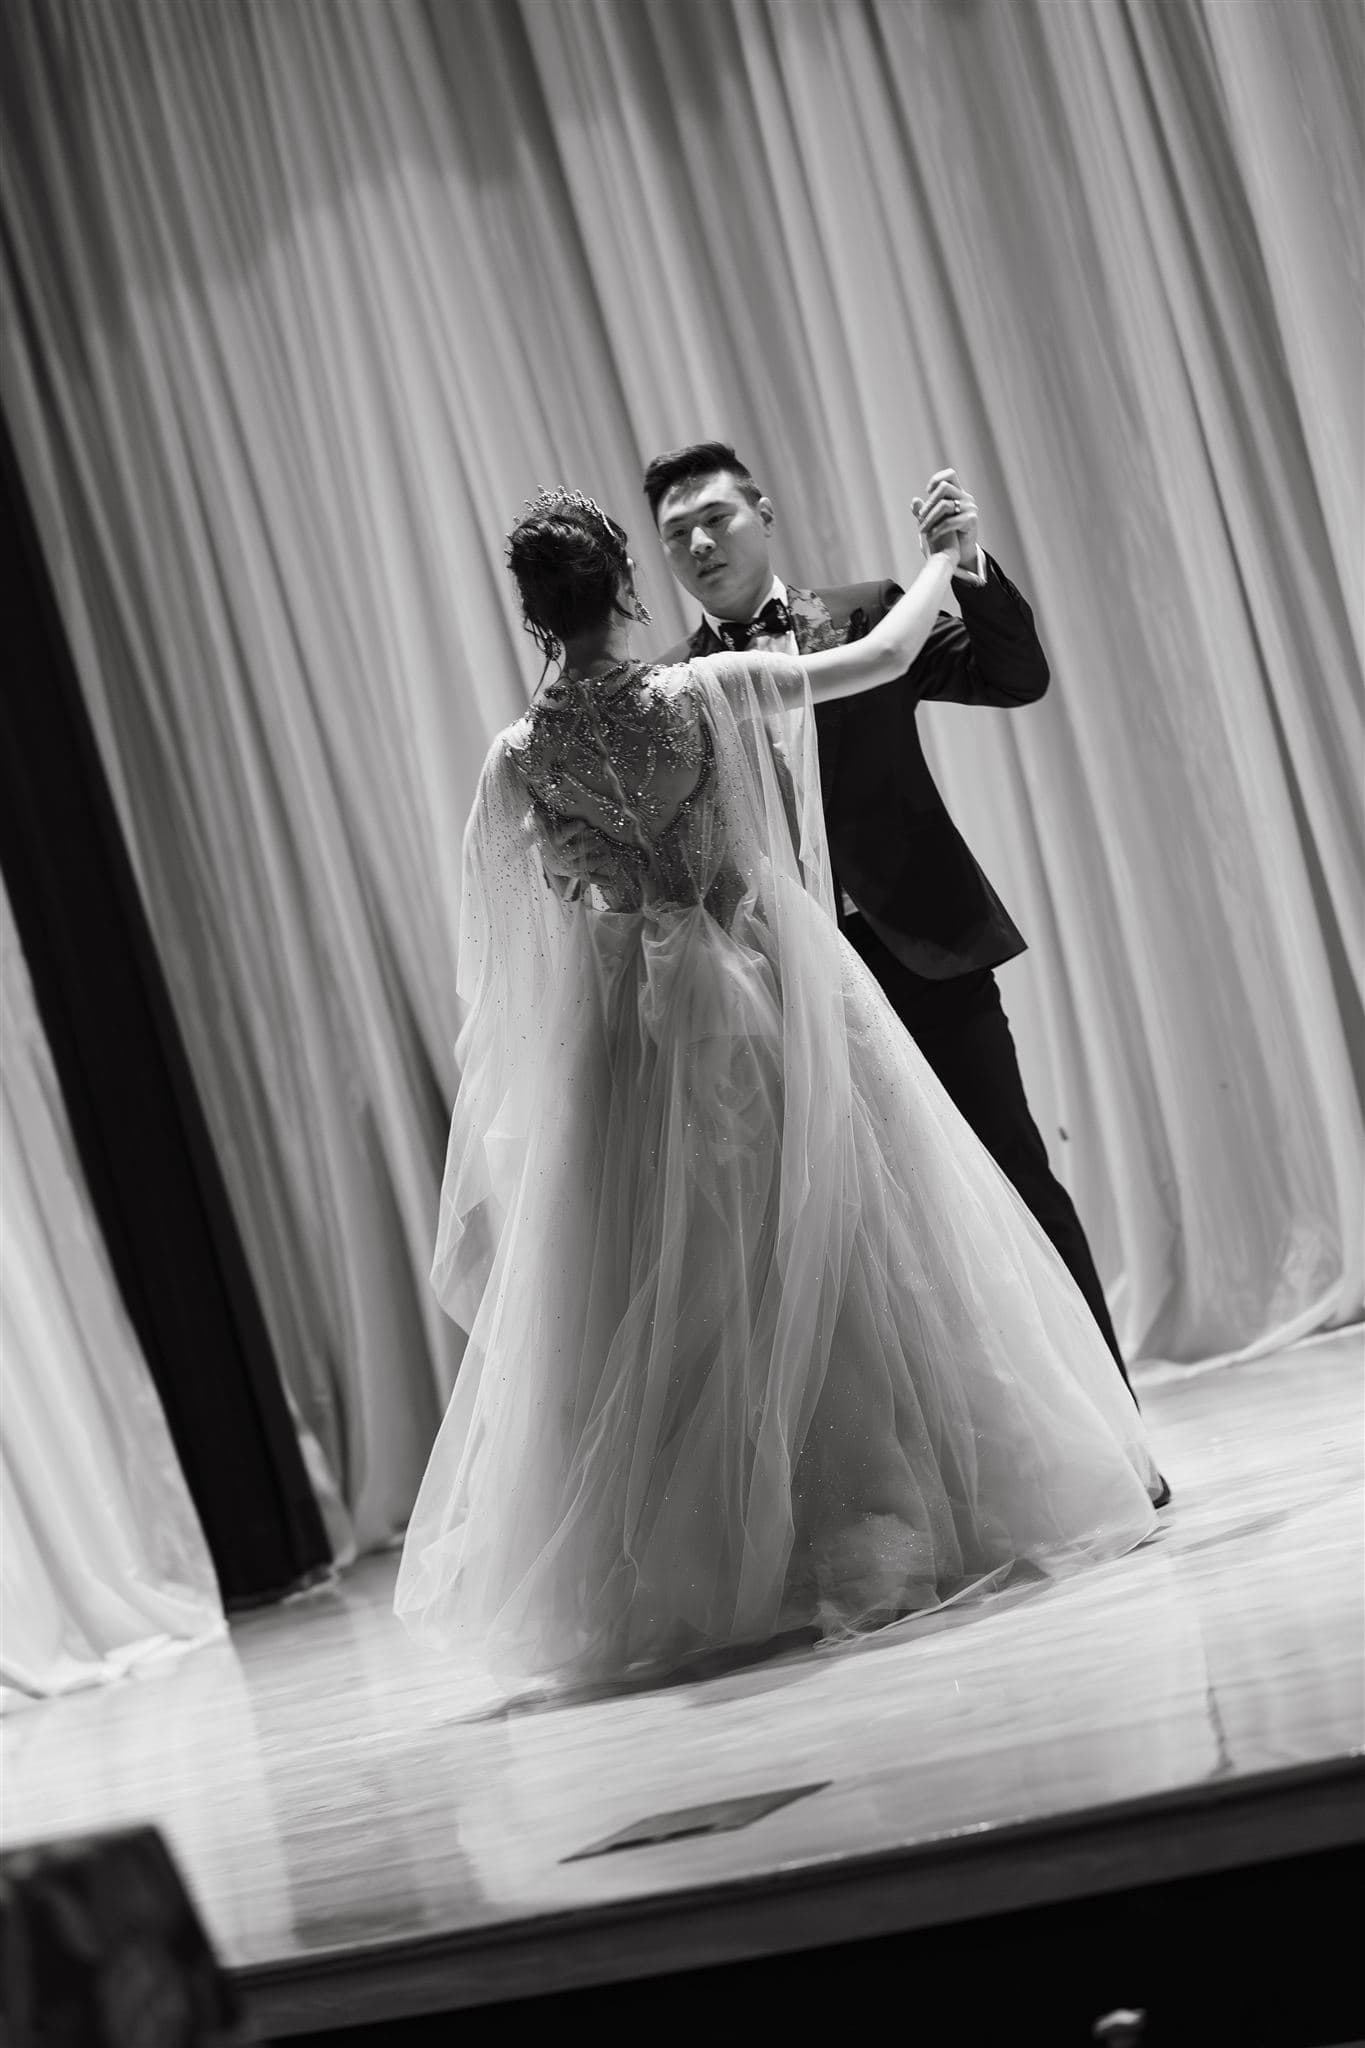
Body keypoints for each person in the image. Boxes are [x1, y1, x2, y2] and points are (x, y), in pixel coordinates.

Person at [394, 488, 1161, 1697]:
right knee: (847, 1239)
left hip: (633, 1034)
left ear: (536, 615)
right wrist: (937, 561)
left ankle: (716, 1554)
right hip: (767, 984)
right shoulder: (702, 692)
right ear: (628, 586)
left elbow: (507, 937)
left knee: (677, 1282)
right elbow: (886, 655)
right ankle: (884, 1507)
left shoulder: (513, 759)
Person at [642, 443, 1159, 1469]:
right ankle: (959, 1477)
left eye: (715, 515)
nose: (699, 541)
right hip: (786, 993)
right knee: (861, 1245)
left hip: (927, 954)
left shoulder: (872, 608)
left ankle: (1119, 1445)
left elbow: (1017, 677)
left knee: (1019, 1180)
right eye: (676, 532)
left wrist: (962, 562)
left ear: (764, 510)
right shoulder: (674, 686)